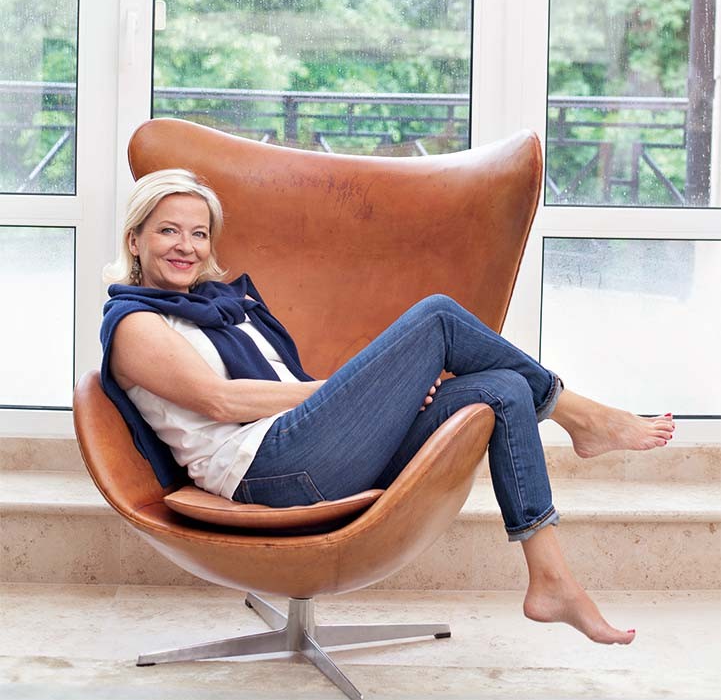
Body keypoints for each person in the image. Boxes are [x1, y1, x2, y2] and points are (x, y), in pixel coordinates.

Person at [101, 169, 674, 647]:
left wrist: (374, 398)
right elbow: (220, 399)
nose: (186, 246)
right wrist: (349, 391)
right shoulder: (135, 324)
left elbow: (290, 387)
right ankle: (580, 415)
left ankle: (551, 579)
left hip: (305, 446)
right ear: (134, 240)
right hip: (264, 471)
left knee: (504, 387)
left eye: (199, 233)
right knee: (438, 316)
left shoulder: (223, 305)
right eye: (168, 231)